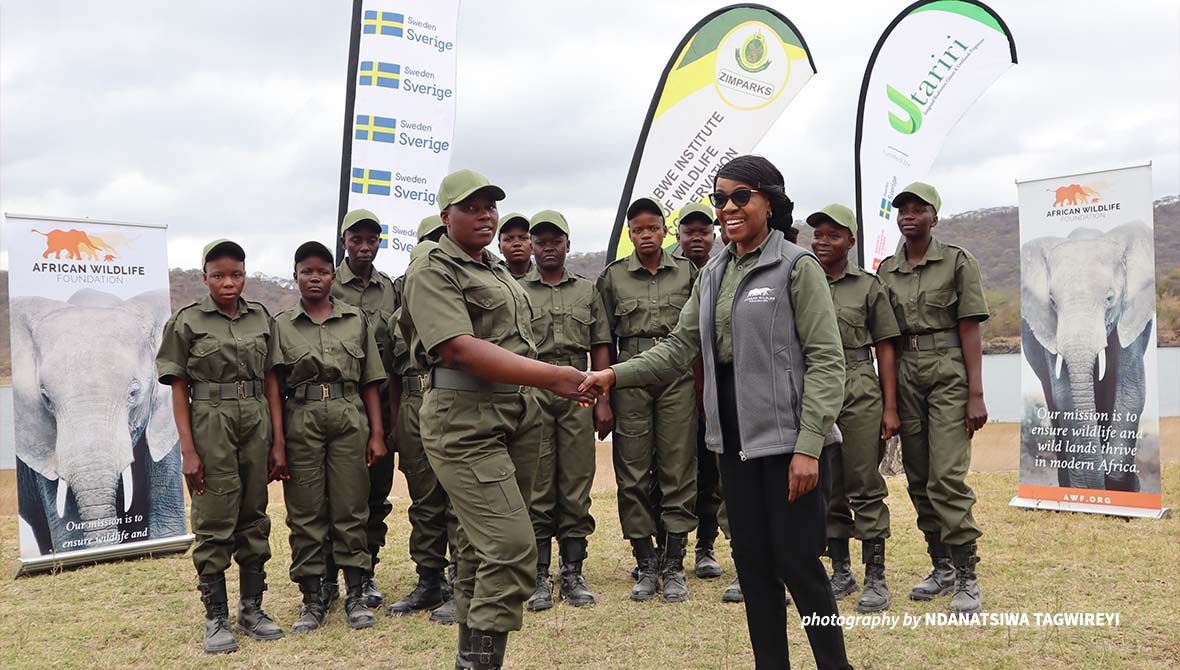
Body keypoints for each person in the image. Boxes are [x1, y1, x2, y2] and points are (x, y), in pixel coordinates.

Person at [582, 155, 852, 670]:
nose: (727, 207)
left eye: (739, 197)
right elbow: (678, 347)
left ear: (767, 202)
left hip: (788, 444)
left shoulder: (796, 266)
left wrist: (809, 447)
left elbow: (826, 361)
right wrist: (613, 375)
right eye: (719, 198)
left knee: (800, 567)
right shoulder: (714, 272)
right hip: (731, 441)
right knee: (752, 567)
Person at [400, 169, 596, 668]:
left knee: (476, 547)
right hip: (464, 420)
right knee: (510, 548)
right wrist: (551, 376)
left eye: (491, 205)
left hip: (514, 415)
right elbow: (459, 349)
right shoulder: (432, 268)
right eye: (471, 206)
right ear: (446, 216)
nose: (485, 214)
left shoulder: (496, 269)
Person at [157, 239, 284, 654]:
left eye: (236, 275)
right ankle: (216, 619)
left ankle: (252, 610)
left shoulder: (262, 317)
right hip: (210, 420)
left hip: (256, 418)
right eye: (219, 275)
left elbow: (271, 382)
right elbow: (178, 388)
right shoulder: (186, 321)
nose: (228, 283)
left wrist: (277, 441)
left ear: (245, 275)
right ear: (204, 277)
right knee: (213, 517)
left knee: (254, 513)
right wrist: (187, 450)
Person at [875, 182, 989, 614]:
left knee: (946, 476)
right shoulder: (887, 270)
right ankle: (940, 565)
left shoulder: (958, 261)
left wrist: (975, 393)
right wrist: (889, 404)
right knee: (919, 476)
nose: (908, 215)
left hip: (948, 372)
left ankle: (966, 576)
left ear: (933, 218)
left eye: (918, 209)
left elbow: (969, 327)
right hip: (905, 371)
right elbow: (885, 338)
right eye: (902, 209)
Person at [268, 241, 388, 633]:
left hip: (349, 416)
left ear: (333, 277)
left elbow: (371, 380)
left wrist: (377, 434)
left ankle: (355, 592)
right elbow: (274, 387)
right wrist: (278, 443)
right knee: (305, 511)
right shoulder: (282, 325)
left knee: (351, 507)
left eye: (322, 271)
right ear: (296, 276)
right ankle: (313, 597)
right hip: (300, 418)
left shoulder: (355, 320)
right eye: (307, 271)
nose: (314, 277)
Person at [596, 195, 699, 603]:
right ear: (630, 234)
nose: (645, 236)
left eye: (652, 228)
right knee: (633, 470)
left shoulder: (689, 274)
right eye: (637, 230)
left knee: (678, 467)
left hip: (677, 377)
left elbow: (700, 340)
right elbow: (603, 339)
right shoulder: (613, 277)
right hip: (629, 378)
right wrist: (604, 397)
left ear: (665, 230)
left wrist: (703, 391)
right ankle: (645, 561)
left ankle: (674, 564)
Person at [517, 209, 613, 611]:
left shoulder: (587, 290)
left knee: (576, 483)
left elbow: (601, 343)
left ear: (567, 246)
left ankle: (573, 571)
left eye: (556, 241)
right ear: (532, 247)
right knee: (537, 484)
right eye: (541, 242)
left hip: (580, 391)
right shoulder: (518, 289)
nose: (548, 247)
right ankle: (539, 574)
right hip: (535, 390)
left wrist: (604, 401)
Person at [808, 204, 901, 614]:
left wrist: (890, 407)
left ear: (851, 240)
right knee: (827, 484)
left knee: (864, 480)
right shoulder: (803, 280)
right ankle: (841, 569)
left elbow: (885, 346)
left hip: (859, 384)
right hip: (814, 388)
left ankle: (874, 576)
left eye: (832, 235)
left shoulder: (867, 285)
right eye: (818, 235)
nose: (822, 241)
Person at [320, 208, 398, 610]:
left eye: (372, 240)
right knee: (339, 496)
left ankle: (365, 574)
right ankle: (328, 575)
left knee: (376, 496)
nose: (364, 247)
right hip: (344, 402)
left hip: (382, 403)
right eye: (356, 240)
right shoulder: (330, 286)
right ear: (344, 241)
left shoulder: (391, 289)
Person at [385, 216, 460, 623]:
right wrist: (397, 423)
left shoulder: (462, 297)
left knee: (458, 498)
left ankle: (462, 580)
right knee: (424, 500)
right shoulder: (402, 310)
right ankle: (430, 581)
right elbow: (395, 371)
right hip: (414, 404)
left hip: (452, 399)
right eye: (425, 243)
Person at [672, 203, 724, 581]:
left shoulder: (724, 272)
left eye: (703, 232)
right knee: (671, 471)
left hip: (712, 388)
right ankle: (666, 551)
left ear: (714, 236)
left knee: (711, 473)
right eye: (689, 232)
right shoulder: (671, 273)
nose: (696, 238)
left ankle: (706, 547)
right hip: (673, 389)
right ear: (678, 236)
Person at [498, 211, 533, 278]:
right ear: (500, 247)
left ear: (533, 244)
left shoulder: (547, 276)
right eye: (508, 239)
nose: (517, 244)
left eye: (523, 238)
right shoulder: (492, 279)